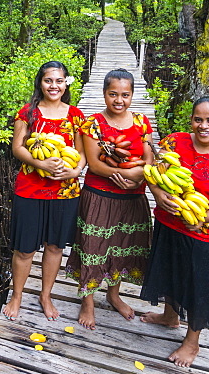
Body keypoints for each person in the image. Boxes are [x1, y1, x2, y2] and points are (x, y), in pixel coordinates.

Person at [140, 94, 209, 367]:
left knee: (196, 286)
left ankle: (192, 342)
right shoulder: (175, 142)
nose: (204, 126)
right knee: (167, 271)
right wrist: (157, 194)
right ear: (191, 120)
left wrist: (203, 217)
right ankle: (170, 316)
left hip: (201, 233)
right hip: (168, 223)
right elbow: (153, 171)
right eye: (198, 119)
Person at [65, 69, 153, 329]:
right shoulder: (92, 123)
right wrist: (124, 173)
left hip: (133, 197)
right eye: (113, 94)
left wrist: (139, 178)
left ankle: (114, 294)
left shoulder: (141, 122)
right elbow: (94, 164)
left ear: (132, 95)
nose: (119, 100)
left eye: (125, 95)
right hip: (99, 196)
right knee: (94, 246)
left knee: (124, 245)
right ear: (104, 94)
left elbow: (149, 156)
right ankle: (88, 301)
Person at [4, 61, 86, 321]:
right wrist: (39, 163)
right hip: (30, 188)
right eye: (48, 80)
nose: (54, 86)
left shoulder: (75, 115)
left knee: (54, 247)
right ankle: (17, 295)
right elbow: (18, 147)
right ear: (40, 82)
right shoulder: (28, 113)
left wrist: (75, 172)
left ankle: (45, 295)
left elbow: (82, 154)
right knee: (25, 249)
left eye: (59, 81)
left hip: (65, 190)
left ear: (66, 84)